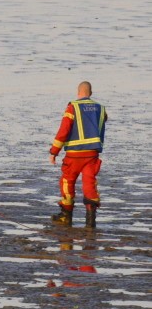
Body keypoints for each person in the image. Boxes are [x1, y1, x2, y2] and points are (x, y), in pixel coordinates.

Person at [50, 81, 107, 227]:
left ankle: (66, 216)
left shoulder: (72, 107)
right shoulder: (101, 109)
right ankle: (90, 221)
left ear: (78, 92)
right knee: (89, 184)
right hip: (92, 154)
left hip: (74, 155)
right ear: (91, 93)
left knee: (67, 181)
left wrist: (54, 151)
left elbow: (63, 131)